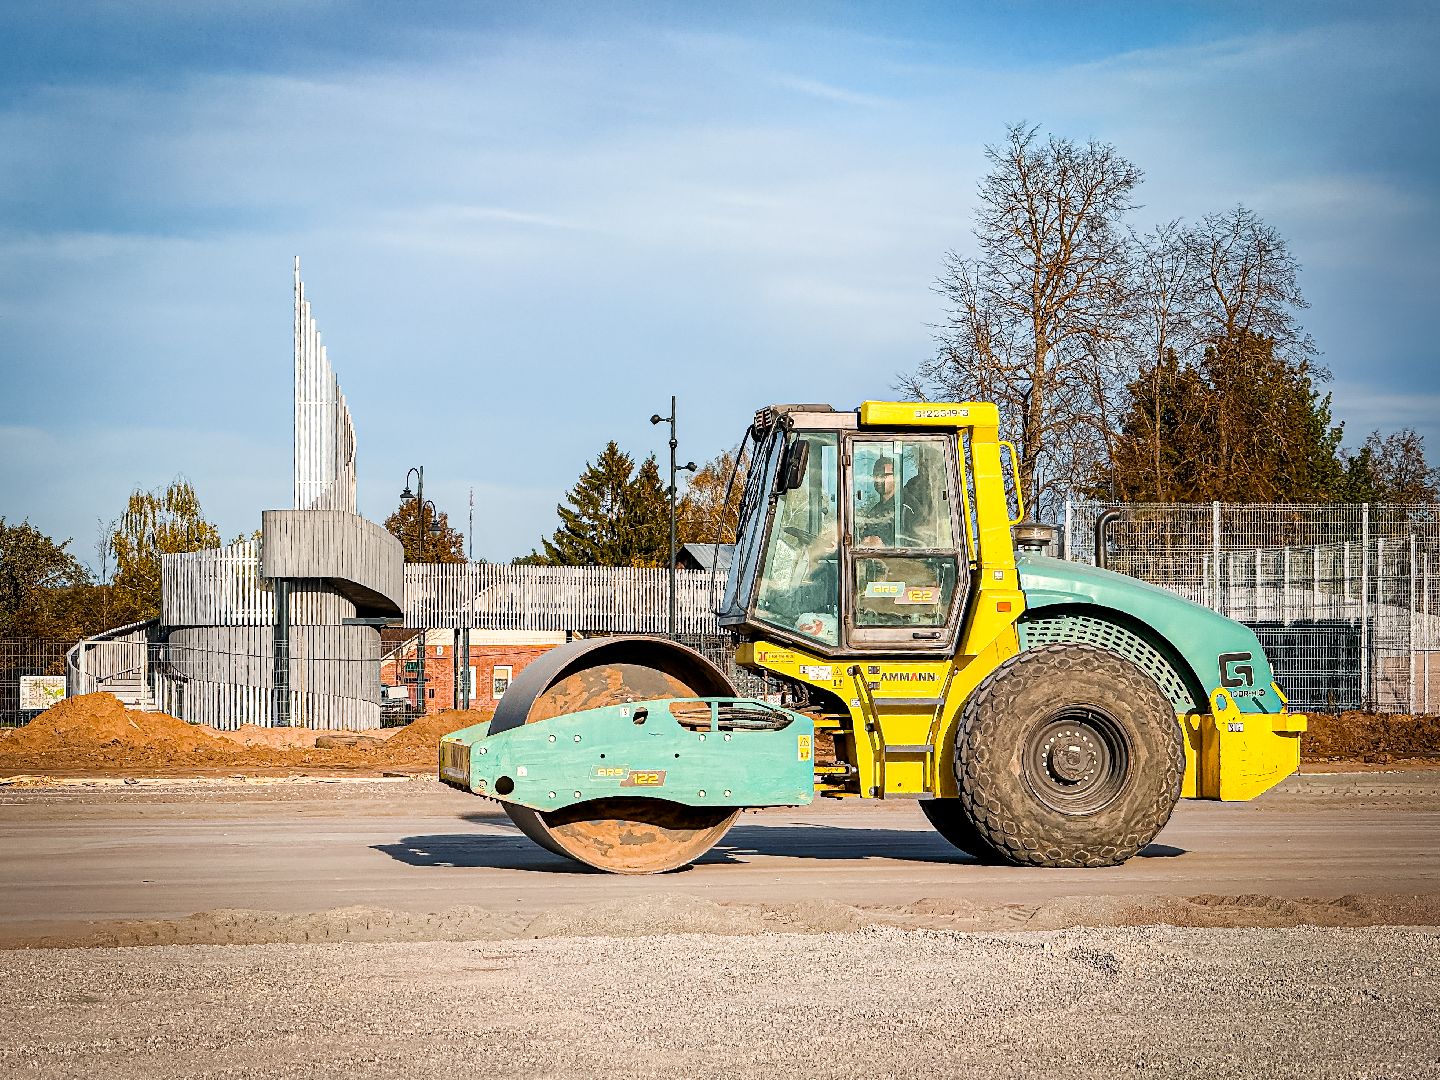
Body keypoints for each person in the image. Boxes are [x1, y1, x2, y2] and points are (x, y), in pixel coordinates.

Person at [857, 455, 896, 547]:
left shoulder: (906, 506)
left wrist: (884, 546)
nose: (878, 480)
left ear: (896, 477)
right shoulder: (874, 511)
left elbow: (914, 543)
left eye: (883, 475)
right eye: (875, 475)